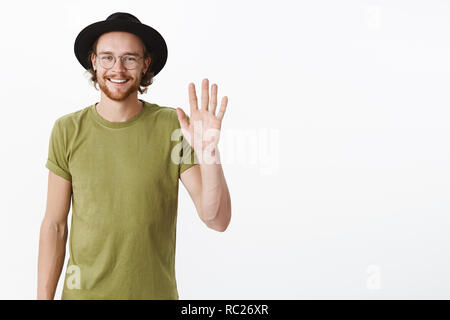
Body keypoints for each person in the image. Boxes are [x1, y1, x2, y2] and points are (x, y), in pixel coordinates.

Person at [37, 12, 231, 300]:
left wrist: (209, 155)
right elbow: (55, 226)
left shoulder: (173, 126)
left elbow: (216, 219)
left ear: (145, 64)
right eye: (107, 57)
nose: (118, 68)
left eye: (129, 58)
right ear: (93, 61)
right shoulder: (67, 130)